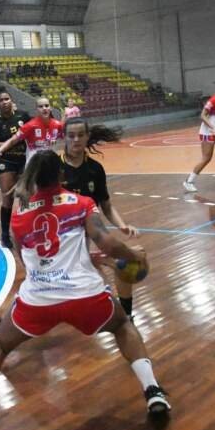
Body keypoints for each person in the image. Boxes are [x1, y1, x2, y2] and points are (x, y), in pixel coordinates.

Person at [0, 151, 170, 430]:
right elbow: (105, 241)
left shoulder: (19, 216)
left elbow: (28, 261)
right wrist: (131, 256)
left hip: (39, 299)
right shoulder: (82, 204)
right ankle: (153, 391)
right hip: (85, 296)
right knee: (122, 326)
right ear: (62, 175)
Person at [61, 117, 140, 319]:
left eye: (80, 135)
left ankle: (125, 315)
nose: (76, 139)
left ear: (88, 137)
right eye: (71, 135)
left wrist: (122, 225)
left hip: (90, 234)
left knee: (130, 260)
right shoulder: (53, 168)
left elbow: (106, 204)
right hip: (61, 239)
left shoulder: (95, 169)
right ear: (64, 137)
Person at [0, 86, 31, 248]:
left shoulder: (23, 116)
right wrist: (12, 141)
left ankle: (26, 231)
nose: (4, 102)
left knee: (26, 197)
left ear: (12, 100)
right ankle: (5, 234)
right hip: (6, 162)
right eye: (1, 100)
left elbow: (33, 130)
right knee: (8, 197)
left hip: (24, 161)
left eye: (7, 99)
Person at [0, 97, 63, 164]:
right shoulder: (30, 125)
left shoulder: (57, 125)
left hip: (50, 162)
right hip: (33, 165)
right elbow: (13, 140)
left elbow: (68, 138)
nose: (44, 108)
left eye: (46, 105)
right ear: (36, 109)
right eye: (41, 106)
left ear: (50, 108)